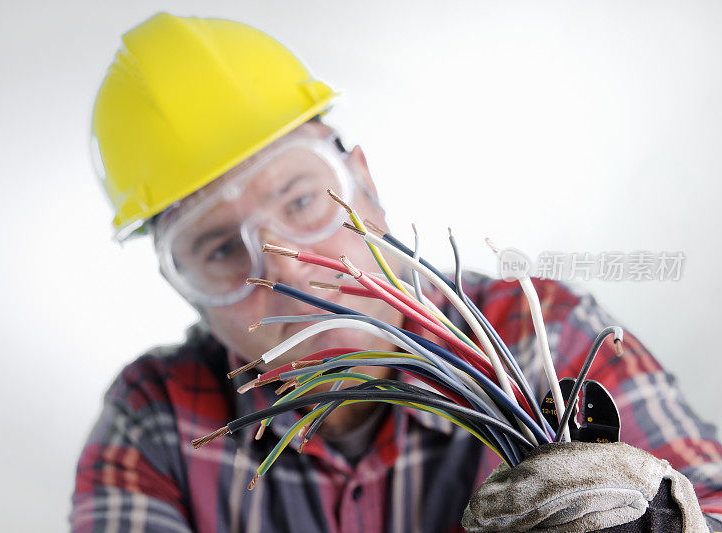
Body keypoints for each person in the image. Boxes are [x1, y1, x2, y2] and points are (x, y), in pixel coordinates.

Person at [71, 13, 722, 532]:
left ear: (366, 186)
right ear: (183, 288)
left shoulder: (546, 340)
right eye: (217, 249)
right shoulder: (155, 418)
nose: (291, 269)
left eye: (303, 201)